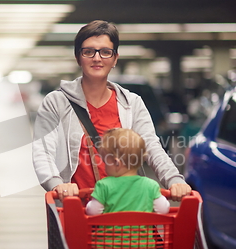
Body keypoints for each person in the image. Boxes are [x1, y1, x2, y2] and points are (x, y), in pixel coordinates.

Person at [33, 20, 191, 201]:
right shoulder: (56, 102)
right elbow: (43, 151)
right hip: (77, 209)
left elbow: (152, 147)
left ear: (115, 59)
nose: (97, 58)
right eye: (88, 51)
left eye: (105, 52)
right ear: (78, 58)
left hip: (125, 208)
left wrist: (174, 180)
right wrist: (56, 183)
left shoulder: (131, 103)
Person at [85, 128, 169, 249]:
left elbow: (93, 212)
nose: (104, 166)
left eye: (105, 161)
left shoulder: (104, 185)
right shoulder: (150, 185)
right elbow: (163, 210)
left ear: (116, 163)